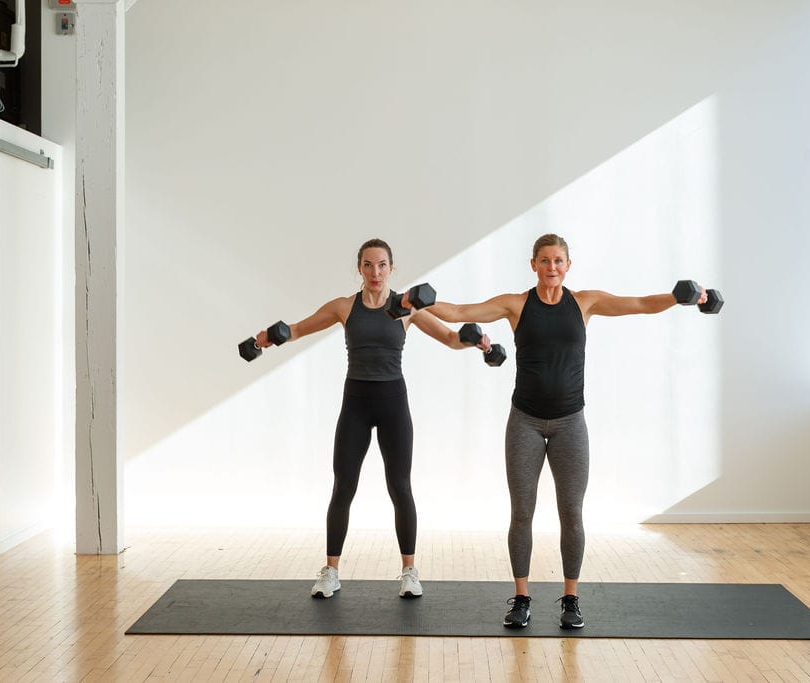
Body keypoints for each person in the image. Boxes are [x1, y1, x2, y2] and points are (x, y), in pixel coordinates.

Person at [426, 233, 710, 629]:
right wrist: (414, 300)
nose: (551, 267)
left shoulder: (585, 302)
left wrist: (680, 298)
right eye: (544, 260)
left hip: (569, 423)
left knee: (571, 513)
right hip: (524, 420)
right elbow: (458, 312)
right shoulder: (516, 304)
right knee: (522, 512)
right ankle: (522, 598)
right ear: (534, 265)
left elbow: (641, 305)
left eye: (558, 260)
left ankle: (571, 599)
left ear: (568, 265)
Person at [253, 238, 492, 600]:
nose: (375, 272)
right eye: (368, 265)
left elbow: (449, 337)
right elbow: (298, 328)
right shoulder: (344, 307)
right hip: (356, 404)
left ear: (391, 268)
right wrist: (267, 339)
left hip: (393, 402)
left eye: (381, 265)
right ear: (359, 269)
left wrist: (477, 343)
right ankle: (330, 571)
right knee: (343, 487)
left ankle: (409, 571)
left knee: (400, 486)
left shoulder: (406, 308)